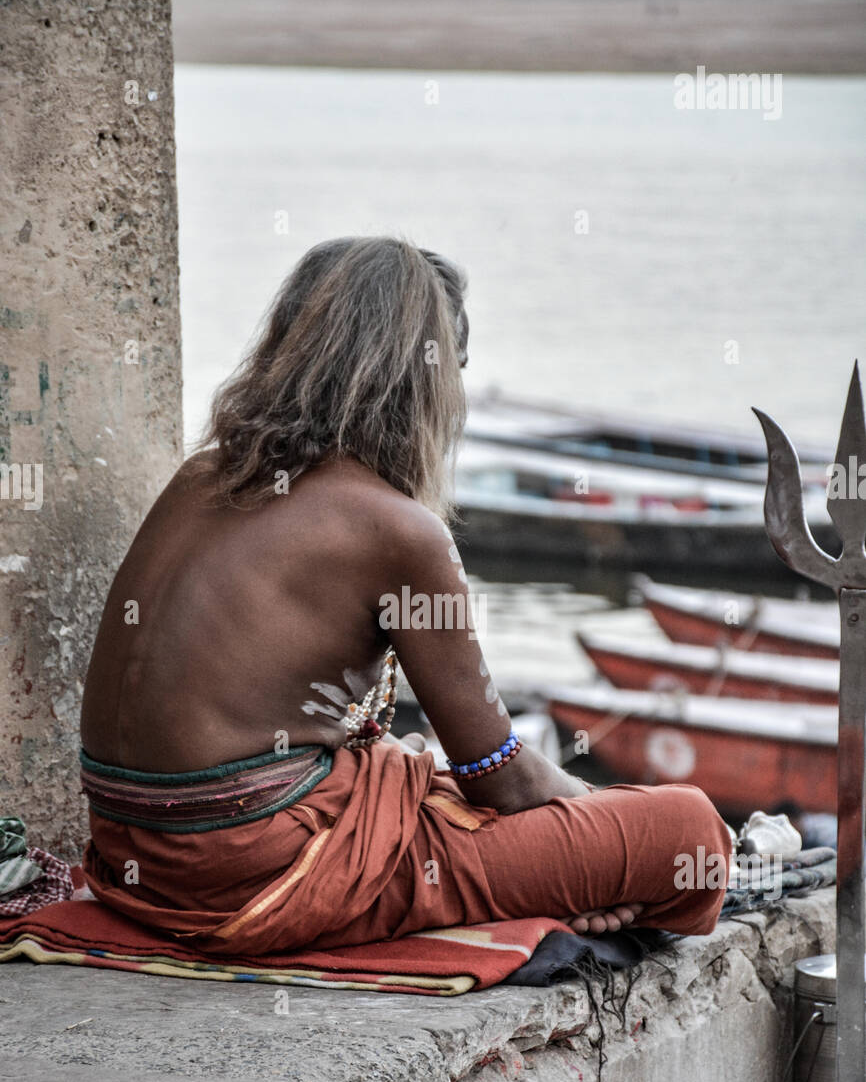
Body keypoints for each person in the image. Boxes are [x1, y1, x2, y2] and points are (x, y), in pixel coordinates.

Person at [79, 236, 731, 957]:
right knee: (688, 835)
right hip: (252, 873)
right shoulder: (398, 530)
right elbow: (501, 781)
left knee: (430, 779)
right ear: (421, 381)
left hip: (128, 864)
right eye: (454, 369)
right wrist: (590, 832)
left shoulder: (199, 475)